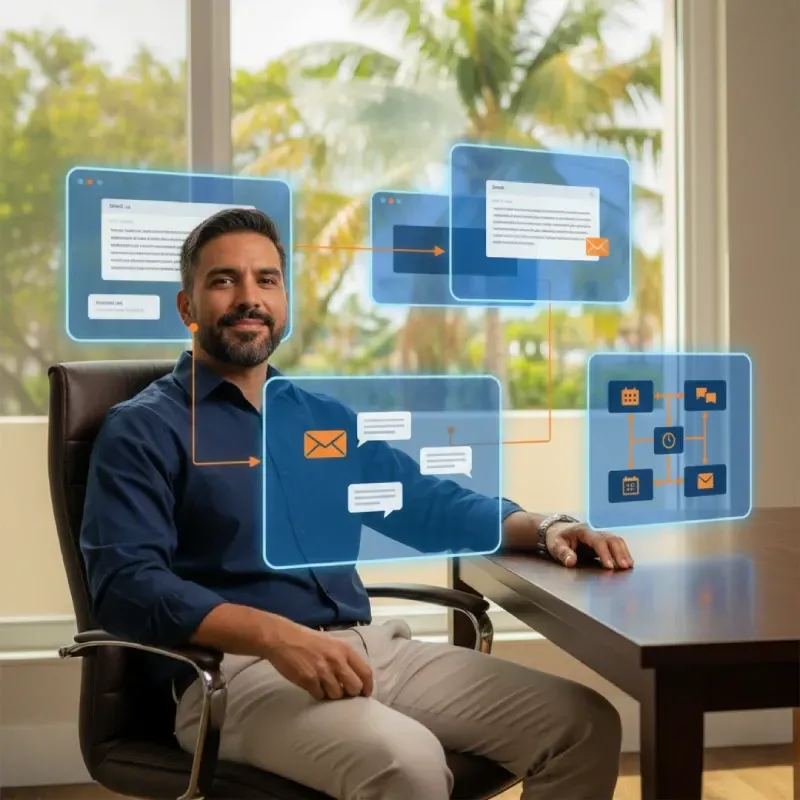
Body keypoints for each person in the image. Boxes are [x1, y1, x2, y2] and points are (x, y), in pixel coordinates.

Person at [80, 208, 634, 800]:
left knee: (583, 724)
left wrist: (548, 525)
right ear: (187, 307)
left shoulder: (323, 419)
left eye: (266, 280)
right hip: (232, 675)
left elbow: (421, 503)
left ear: (284, 300)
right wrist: (275, 636)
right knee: (408, 763)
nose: (249, 297)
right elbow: (127, 584)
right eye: (224, 281)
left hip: (371, 650)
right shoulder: (143, 428)